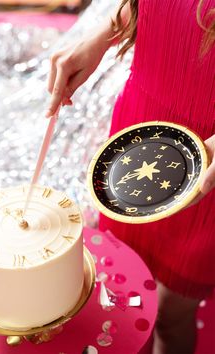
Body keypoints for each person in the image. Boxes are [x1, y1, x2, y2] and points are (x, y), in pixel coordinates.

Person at [46, 1, 215, 353]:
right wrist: (104, 33)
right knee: (121, 287)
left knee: (172, 312)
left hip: (207, 164)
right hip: (138, 130)